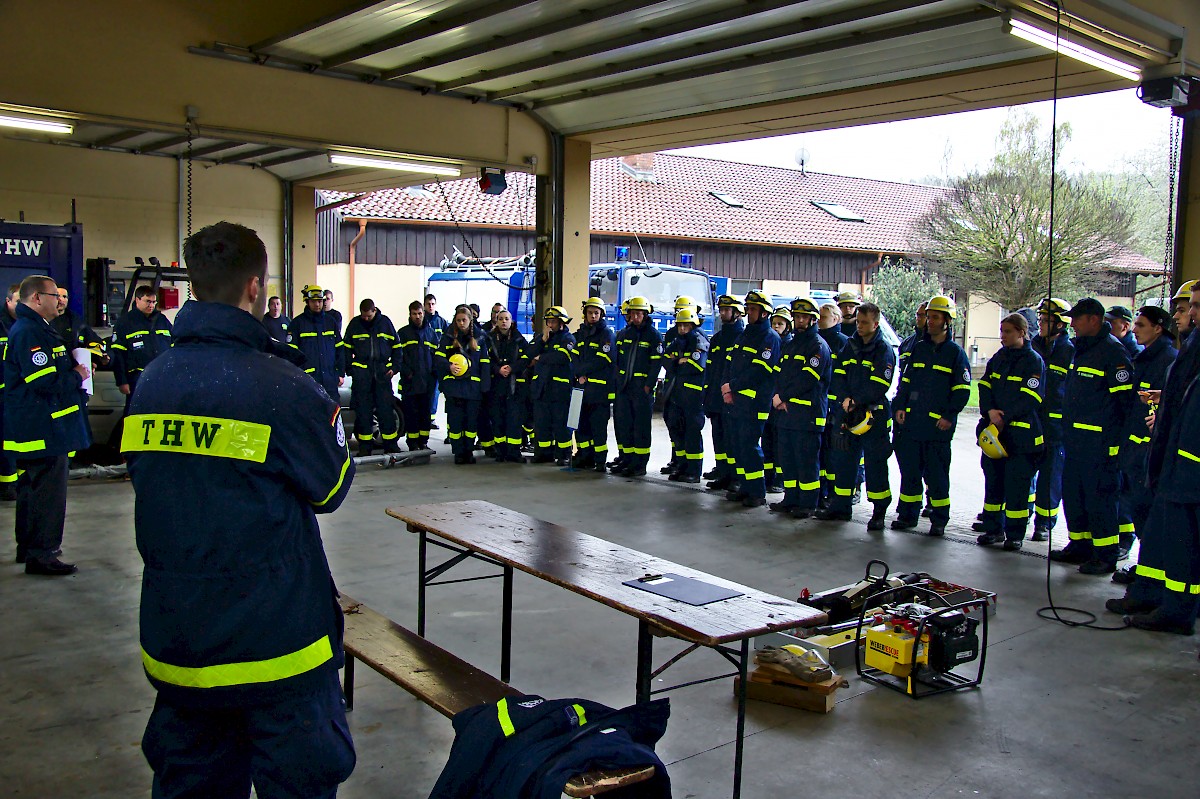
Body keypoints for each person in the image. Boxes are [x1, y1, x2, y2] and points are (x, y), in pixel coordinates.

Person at [123, 221, 356, 797]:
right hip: (279, 648)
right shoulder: (282, 385)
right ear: (256, 288)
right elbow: (331, 490)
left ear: (195, 287)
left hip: (181, 638)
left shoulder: (153, 380)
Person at [1107, 281, 1200, 633]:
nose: (1187, 314)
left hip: (1188, 467)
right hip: (1172, 462)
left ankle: (1177, 610)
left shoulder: (1183, 350)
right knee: (1161, 537)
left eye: (1192, 307)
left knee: (1180, 545)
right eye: (1184, 307)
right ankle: (1152, 593)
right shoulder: (1191, 347)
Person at [4, 275, 91, 574]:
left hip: (41, 426)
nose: (60, 301)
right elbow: (43, 381)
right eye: (55, 295)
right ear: (37, 298)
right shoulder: (29, 331)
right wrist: (78, 375)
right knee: (47, 494)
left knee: (31, 489)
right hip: (44, 428)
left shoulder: (38, 328)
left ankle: (29, 548)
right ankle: (43, 554)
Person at [1049, 298, 1137, 575]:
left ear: (1094, 320)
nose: (1071, 323)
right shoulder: (1082, 350)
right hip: (1075, 442)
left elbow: (1125, 405)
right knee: (1074, 496)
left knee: (1100, 499)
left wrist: (1114, 443)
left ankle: (1105, 553)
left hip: (1100, 446)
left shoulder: (1113, 353)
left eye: (1077, 318)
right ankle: (1081, 545)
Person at [890, 295, 971, 536]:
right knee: (911, 473)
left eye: (935, 317)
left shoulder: (956, 354)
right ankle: (908, 515)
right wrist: (900, 406)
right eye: (928, 317)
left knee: (936, 475)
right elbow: (905, 382)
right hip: (914, 425)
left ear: (947, 321)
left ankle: (938, 520)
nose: (930, 322)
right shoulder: (919, 349)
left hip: (937, 428)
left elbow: (962, 391)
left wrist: (949, 416)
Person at [1112, 305, 1177, 580]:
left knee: (1148, 512)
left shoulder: (1167, 359)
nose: (1134, 329)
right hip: (1136, 449)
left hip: (1148, 452)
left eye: (1140, 325)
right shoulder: (1146, 357)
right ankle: (1146, 569)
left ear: (1158, 328)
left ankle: (1151, 574)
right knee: (1137, 509)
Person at [817, 301, 895, 524]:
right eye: (858, 322)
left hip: (873, 416)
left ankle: (879, 511)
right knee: (843, 462)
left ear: (876, 324)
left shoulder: (884, 350)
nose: (859, 326)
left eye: (864, 323)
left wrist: (857, 400)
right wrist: (845, 399)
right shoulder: (850, 346)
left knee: (875, 464)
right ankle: (841, 507)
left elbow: (881, 383)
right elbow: (838, 373)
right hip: (848, 413)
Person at [974, 313, 1046, 551]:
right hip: (996, 433)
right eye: (1002, 331)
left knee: (1017, 488)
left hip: (1021, 438)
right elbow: (984, 385)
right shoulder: (999, 358)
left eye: (1008, 331)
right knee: (993, 484)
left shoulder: (1033, 361)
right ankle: (993, 529)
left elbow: (1032, 397)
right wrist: (989, 412)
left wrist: (1005, 416)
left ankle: (1014, 534)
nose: (1002, 336)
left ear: (1022, 333)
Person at [769, 297, 831, 518]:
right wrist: (778, 396)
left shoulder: (818, 347)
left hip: (808, 416)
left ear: (813, 320)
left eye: (805, 317)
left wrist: (782, 396)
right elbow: (779, 373)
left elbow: (808, 379)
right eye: (797, 317)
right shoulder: (792, 344)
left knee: (806, 462)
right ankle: (791, 498)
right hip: (787, 414)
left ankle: (807, 504)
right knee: (788, 459)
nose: (800, 320)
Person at [720, 290, 781, 508]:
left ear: (765, 313)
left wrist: (732, 386)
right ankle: (745, 486)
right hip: (736, 402)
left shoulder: (770, 339)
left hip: (755, 404)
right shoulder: (745, 335)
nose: (749, 312)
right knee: (738, 446)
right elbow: (729, 362)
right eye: (748, 308)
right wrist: (726, 389)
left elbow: (760, 371)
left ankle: (757, 492)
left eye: (753, 309)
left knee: (750, 446)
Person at [1029, 297, 1074, 542]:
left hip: (1055, 428)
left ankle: (1044, 523)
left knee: (1049, 478)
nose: (1042, 324)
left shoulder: (1070, 351)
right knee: (1023, 473)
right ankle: (1019, 516)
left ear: (1060, 324)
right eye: (1041, 319)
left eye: (1047, 320)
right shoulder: (1033, 347)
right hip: (1030, 422)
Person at [341, 299, 401, 456]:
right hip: (362, 376)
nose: (366, 319)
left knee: (386, 411)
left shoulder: (385, 323)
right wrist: (350, 369)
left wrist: (394, 368)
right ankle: (365, 447)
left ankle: (390, 445)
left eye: (368, 316)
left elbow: (396, 348)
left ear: (374, 311)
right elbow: (346, 349)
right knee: (363, 413)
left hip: (382, 374)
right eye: (363, 316)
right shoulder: (355, 324)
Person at [610, 297, 662, 477]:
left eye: (639, 313)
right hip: (625, 387)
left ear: (645, 314)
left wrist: (648, 386)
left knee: (641, 428)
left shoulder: (653, 335)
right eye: (633, 313)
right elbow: (617, 361)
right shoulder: (624, 334)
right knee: (625, 425)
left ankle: (640, 465)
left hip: (642, 389)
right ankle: (627, 459)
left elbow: (656, 365)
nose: (635, 316)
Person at [435, 306, 491, 464]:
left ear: (470, 320)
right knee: (456, 423)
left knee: (471, 424)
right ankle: (458, 453)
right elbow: (438, 358)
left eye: (464, 320)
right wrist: (449, 367)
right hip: (454, 389)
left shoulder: (480, 338)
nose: (461, 323)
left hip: (473, 390)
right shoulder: (447, 336)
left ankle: (468, 451)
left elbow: (485, 364)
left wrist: (485, 388)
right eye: (458, 320)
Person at [703, 295, 745, 491]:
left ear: (737, 313)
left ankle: (736, 477)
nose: (722, 313)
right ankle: (723, 472)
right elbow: (710, 370)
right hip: (715, 397)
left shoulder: (741, 337)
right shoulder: (718, 338)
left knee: (733, 440)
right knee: (718, 438)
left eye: (726, 310)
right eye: (721, 309)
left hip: (732, 399)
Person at [661, 306, 708, 483]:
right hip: (677, 395)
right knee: (678, 432)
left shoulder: (698, 340)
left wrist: (677, 362)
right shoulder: (678, 341)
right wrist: (678, 362)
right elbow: (665, 359)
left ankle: (694, 472)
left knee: (692, 434)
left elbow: (696, 366)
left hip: (693, 397)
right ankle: (682, 466)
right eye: (680, 326)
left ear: (693, 325)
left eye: (686, 326)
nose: (682, 329)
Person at [110, 286, 174, 410]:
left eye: (154, 302)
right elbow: (118, 355)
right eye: (148, 301)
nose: (151, 305)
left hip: (162, 377)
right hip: (137, 379)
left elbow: (173, 347)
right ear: (137, 300)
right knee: (135, 412)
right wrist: (122, 381)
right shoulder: (125, 322)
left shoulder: (162, 320)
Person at [526, 306, 575, 465]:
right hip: (542, 390)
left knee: (561, 425)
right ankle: (543, 454)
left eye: (553, 322)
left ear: (561, 322)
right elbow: (530, 353)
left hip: (559, 391)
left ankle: (564, 455)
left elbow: (562, 356)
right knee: (542, 424)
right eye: (549, 322)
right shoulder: (543, 338)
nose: (550, 325)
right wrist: (542, 341)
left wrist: (541, 357)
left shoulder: (568, 339)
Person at [571, 297, 616, 471]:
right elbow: (573, 356)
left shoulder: (607, 335)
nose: (593, 316)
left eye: (596, 313)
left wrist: (582, 371)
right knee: (582, 426)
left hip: (599, 391)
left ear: (601, 315)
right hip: (581, 389)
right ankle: (585, 456)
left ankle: (599, 461)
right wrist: (578, 372)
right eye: (590, 313)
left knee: (598, 428)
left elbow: (603, 359)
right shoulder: (580, 334)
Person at [817, 303, 849, 508]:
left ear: (836, 319)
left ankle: (833, 494)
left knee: (835, 452)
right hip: (818, 404)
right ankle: (821, 493)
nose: (820, 320)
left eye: (824, 317)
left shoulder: (844, 343)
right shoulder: (815, 342)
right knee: (819, 451)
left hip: (836, 406)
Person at [486, 309, 529, 463]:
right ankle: (501, 451)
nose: (504, 321)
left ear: (511, 321)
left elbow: (526, 358)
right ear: (496, 321)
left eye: (507, 319)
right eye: (501, 318)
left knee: (514, 420)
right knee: (498, 420)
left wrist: (512, 368)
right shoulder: (489, 339)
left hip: (514, 387)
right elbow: (485, 360)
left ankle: (514, 452)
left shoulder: (519, 339)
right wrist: (497, 369)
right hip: (496, 386)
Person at [290, 284, 345, 403]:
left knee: (333, 418)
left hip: (330, 381)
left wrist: (340, 373)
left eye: (320, 301)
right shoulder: (297, 324)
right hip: (308, 382)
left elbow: (340, 349)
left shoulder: (331, 322)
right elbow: (291, 354)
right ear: (307, 302)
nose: (317, 304)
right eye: (314, 301)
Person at [396, 300, 439, 451]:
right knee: (411, 415)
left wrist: (434, 374)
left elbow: (437, 357)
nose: (417, 316)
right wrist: (406, 372)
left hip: (427, 382)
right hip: (410, 382)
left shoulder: (431, 334)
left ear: (423, 313)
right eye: (414, 314)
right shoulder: (403, 333)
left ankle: (423, 442)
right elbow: (397, 357)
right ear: (410, 314)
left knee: (425, 414)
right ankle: (412, 443)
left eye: (420, 313)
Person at [762, 307, 793, 493]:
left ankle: (779, 480)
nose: (776, 327)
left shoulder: (789, 345)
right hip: (767, 399)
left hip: (779, 401)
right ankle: (768, 476)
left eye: (780, 324)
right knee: (767, 441)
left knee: (780, 443)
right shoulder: (770, 342)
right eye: (774, 323)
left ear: (788, 326)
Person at [0, 283, 22, 501]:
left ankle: (12, 485)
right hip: (3, 395)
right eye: (17, 301)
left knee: (14, 441)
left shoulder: (29, 326)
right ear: (8, 302)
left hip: (17, 396)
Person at [425, 293, 447, 428]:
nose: (431, 306)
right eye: (428, 304)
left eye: (433, 304)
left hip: (437, 362)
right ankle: (426, 417)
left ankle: (431, 418)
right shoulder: (423, 321)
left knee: (435, 392)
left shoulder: (441, 322)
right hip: (425, 361)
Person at [897, 301, 928, 376]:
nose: (918, 318)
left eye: (922, 315)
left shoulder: (935, 343)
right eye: (917, 315)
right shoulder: (906, 344)